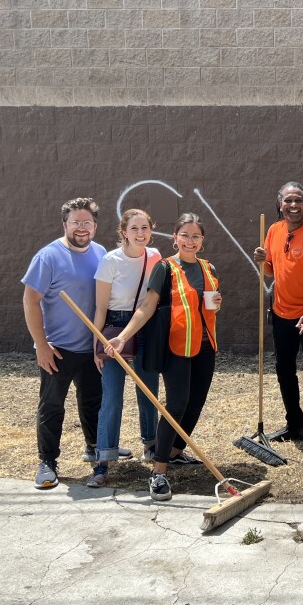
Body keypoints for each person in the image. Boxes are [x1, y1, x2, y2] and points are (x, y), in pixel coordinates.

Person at [105, 213, 222, 502]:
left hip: (206, 345)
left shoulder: (209, 268)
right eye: (185, 235)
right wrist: (123, 336)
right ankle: (158, 472)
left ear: (202, 241)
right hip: (177, 347)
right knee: (177, 405)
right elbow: (147, 306)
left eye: (196, 236)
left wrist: (216, 304)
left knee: (195, 403)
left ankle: (175, 453)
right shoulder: (165, 268)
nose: (190, 241)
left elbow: (207, 305)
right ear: (175, 238)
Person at [22, 197, 107, 489]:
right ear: (64, 225)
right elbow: (30, 301)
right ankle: (47, 462)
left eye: (86, 222)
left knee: (93, 403)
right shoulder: (48, 256)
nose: (81, 228)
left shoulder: (101, 253)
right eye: (75, 222)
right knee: (52, 406)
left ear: (95, 226)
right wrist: (41, 345)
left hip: (90, 349)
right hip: (57, 348)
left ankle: (95, 451)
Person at [253, 183, 303, 466]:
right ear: (280, 204)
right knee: (284, 371)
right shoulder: (274, 230)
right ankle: (295, 425)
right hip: (281, 312)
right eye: (288, 200)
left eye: (298, 200)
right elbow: (273, 269)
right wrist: (262, 261)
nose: (293, 205)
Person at [86, 209, 162, 488]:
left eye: (145, 228)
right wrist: (97, 345)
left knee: (148, 393)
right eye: (134, 229)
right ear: (124, 232)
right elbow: (101, 308)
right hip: (113, 330)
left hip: (146, 329)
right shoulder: (110, 261)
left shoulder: (154, 257)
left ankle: (151, 447)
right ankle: (102, 463)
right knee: (112, 397)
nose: (140, 233)